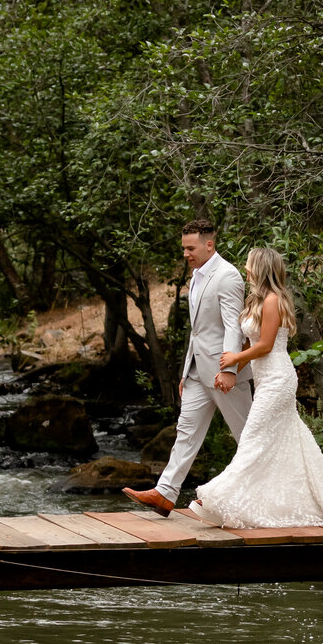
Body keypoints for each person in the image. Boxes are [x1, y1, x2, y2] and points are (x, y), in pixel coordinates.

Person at [188, 247, 323, 530]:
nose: (245, 267)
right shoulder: (256, 300)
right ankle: (291, 499)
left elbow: (264, 346)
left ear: (261, 267)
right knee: (280, 440)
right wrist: (228, 371)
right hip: (264, 378)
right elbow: (249, 346)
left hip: (278, 379)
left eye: (249, 263)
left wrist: (235, 358)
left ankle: (218, 497)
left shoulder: (273, 301)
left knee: (253, 438)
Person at [122, 221, 252, 517]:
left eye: (190, 248)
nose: (186, 254)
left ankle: (259, 493)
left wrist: (230, 368)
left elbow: (233, 326)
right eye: (184, 248)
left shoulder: (228, 276)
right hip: (196, 371)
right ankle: (165, 494)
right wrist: (185, 372)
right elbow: (197, 332)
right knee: (185, 432)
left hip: (223, 372)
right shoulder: (196, 276)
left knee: (247, 436)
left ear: (209, 245)